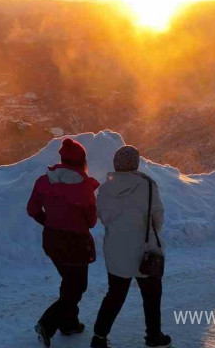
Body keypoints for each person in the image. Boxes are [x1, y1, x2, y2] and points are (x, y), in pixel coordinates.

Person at [90, 145, 172, 348]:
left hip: (115, 249)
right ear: (135, 164)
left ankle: (99, 338)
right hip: (145, 249)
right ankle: (154, 336)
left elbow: (103, 217)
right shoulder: (147, 184)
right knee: (151, 296)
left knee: (115, 295)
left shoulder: (105, 187)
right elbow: (157, 217)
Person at [27, 137, 100, 347]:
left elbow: (32, 210)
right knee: (77, 287)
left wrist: (49, 222)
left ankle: (69, 324)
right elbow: (92, 221)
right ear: (81, 161)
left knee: (69, 283)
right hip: (75, 244)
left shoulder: (44, 180)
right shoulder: (84, 187)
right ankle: (46, 324)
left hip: (51, 240)